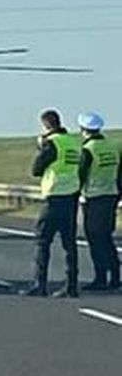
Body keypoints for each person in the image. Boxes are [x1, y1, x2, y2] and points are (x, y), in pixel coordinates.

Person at [20, 109, 81, 298]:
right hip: (71, 196)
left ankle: (40, 284)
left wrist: (40, 147)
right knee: (69, 243)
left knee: (42, 241)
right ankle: (71, 285)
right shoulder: (73, 142)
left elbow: (36, 169)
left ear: (46, 125)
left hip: (54, 197)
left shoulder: (51, 144)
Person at [76, 111, 121, 291]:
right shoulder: (111, 147)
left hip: (94, 198)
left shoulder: (88, 150)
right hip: (111, 195)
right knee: (106, 238)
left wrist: (75, 194)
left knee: (95, 239)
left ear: (83, 130)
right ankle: (115, 276)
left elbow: (81, 175)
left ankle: (100, 277)